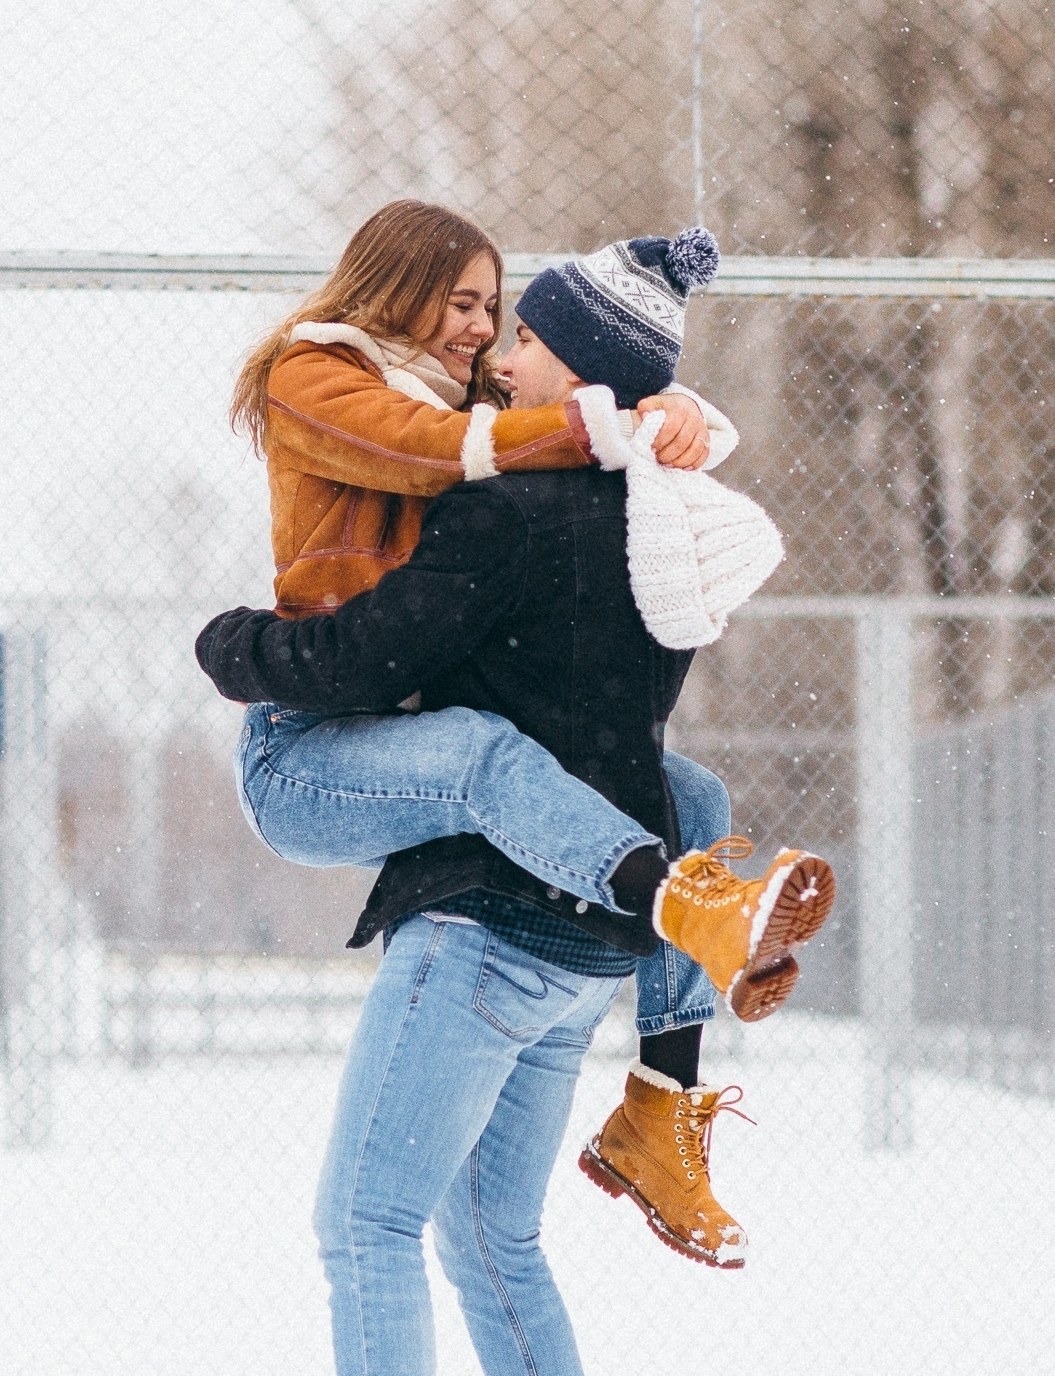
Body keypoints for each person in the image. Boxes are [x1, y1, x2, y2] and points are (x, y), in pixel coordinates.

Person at [199, 238, 833, 1376]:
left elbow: (360, 656)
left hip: (484, 927)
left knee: (367, 1224)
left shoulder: (503, 514)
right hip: (584, 957)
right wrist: (664, 411)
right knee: (496, 1239)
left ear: (582, 379)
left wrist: (235, 646)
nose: (494, 345)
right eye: (482, 316)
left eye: (517, 329)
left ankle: (684, 903)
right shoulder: (659, 527)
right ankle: (668, 1057)